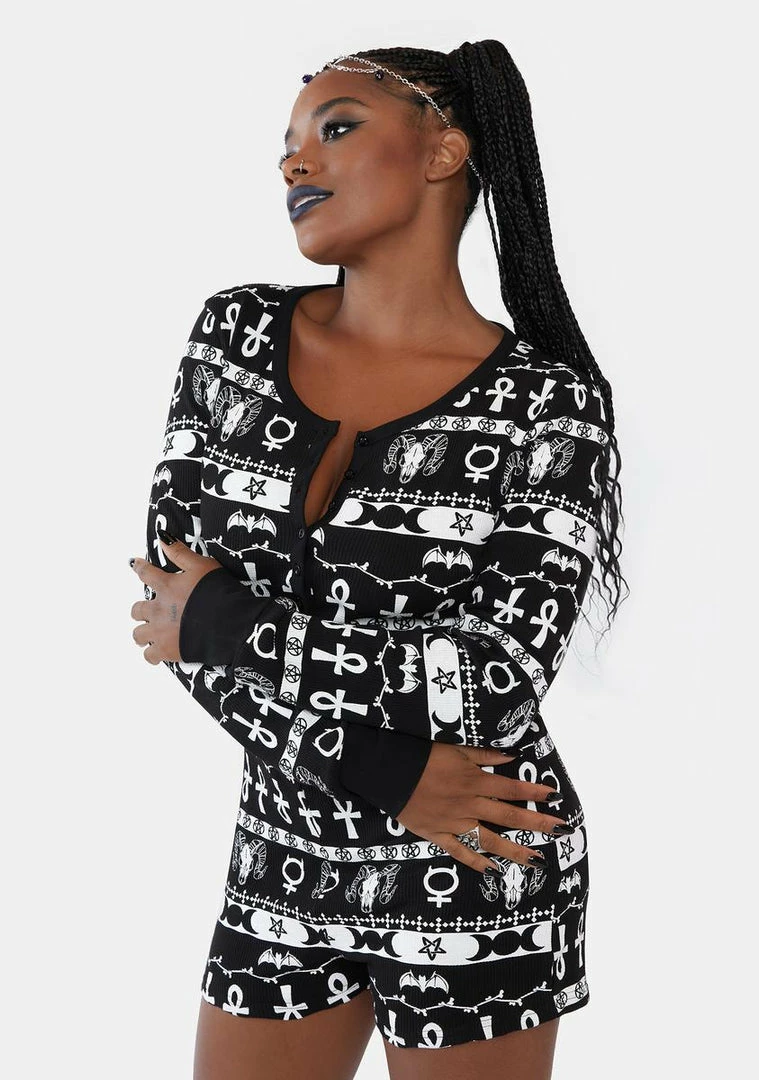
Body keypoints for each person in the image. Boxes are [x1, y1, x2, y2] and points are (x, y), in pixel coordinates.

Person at [130, 41, 627, 1080]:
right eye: (289, 141)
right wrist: (382, 772)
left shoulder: (549, 406)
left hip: (477, 854)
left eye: (337, 127)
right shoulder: (234, 336)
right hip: (282, 860)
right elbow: (170, 608)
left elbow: (493, 678)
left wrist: (229, 621)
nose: (294, 161)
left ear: (444, 152)